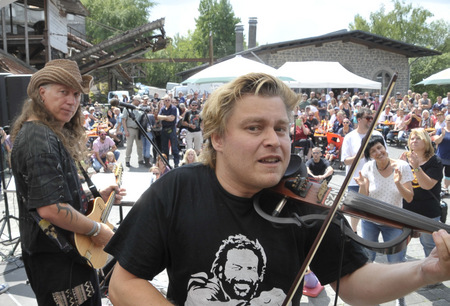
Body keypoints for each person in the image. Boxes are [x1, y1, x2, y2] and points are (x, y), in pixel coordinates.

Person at [105, 73, 450, 306]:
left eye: (281, 128)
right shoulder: (177, 189)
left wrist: (425, 271)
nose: (274, 140)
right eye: (255, 128)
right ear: (218, 138)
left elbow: (355, 282)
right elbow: (122, 283)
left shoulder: (308, 203)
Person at [10, 59, 125, 305]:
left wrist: (91, 198)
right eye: (63, 92)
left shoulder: (45, 133)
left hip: (66, 257)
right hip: (56, 261)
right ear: (42, 93)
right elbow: (50, 208)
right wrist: (97, 230)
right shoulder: (38, 137)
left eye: (76, 94)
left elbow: (54, 194)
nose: (72, 101)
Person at [354, 135, 414, 264]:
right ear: (370, 155)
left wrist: (398, 183)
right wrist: (363, 186)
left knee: (395, 260)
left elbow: (409, 198)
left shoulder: (402, 166)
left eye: (379, 147)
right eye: (373, 151)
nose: (378, 152)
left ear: (384, 147)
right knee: (367, 259)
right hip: (370, 220)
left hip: (394, 222)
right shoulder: (368, 167)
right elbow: (363, 198)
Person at [400, 128, 443, 257]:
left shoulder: (435, 161)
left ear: (426, 141)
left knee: (430, 246)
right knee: (399, 244)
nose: (414, 141)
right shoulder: (405, 158)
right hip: (406, 209)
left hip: (428, 212)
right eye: (412, 138)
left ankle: (433, 274)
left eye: (418, 138)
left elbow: (427, 185)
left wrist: (416, 167)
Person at [341, 107, 384, 232]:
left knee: (372, 209)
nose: (371, 120)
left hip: (376, 179)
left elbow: (385, 154)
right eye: (368, 118)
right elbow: (345, 160)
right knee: (355, 210)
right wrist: (361, 154)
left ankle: (371, 233)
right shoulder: (350, 137)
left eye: (372, 117)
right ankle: (353, 232)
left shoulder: (377, 135)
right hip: (356, 180)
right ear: (359, 119)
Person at [122, 95, 145, 167]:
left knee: (140, 145)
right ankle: (127, 160)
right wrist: (125, 130)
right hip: (130, 128)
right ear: (135, 100)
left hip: (138, 129)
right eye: (138, 101)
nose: (139, 102)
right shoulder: (127, 108)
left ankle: (140, 159)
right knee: (129, 146)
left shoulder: (139, 108)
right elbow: (123, 119)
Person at [158, 95, 180, 168]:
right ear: (163, 101)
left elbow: (172, 119)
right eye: (166, 100)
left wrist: (163, 117)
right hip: (164, 129)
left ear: (170, 101)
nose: (167, 101)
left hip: (172, 129)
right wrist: (167, 117)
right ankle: (166, 163)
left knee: (174, 148)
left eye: (168, 100)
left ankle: (176, 163)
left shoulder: (174, 108)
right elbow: (158, 117)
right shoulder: (162, 108)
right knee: (164, 148)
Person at [435, 115, 450, 196]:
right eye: (448, 120)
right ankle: (437, 187)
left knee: (448, 174)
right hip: (440, 156)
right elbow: (436, 141)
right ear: (445, 121)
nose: (449, 122)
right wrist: (442, 135)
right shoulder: (441, 130)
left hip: (449, 158)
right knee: (438, 173)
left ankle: (445, 188)